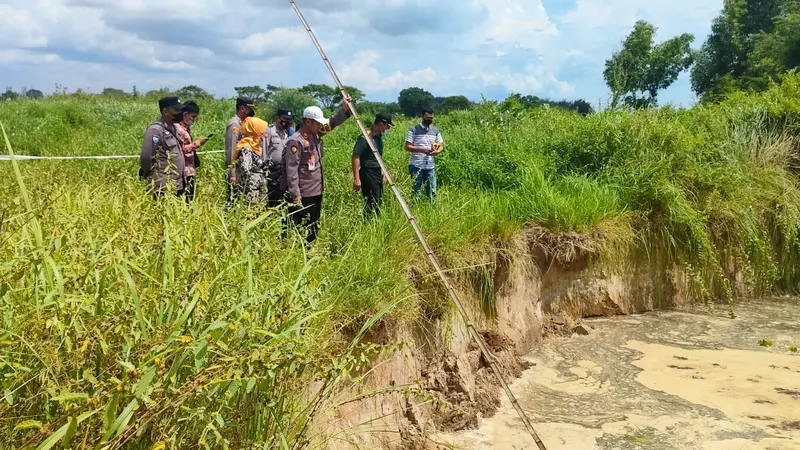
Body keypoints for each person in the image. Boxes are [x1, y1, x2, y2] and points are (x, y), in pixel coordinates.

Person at [282, 100, 351, 243]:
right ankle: (297, 255)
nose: (320, 125)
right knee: (300, 227)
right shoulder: (296, 141)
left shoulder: (315, 134)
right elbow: (291, 170)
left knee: (313, 226)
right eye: (317, 122)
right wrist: (295, 194)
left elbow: (332, 123)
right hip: (303, 193)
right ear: (308, 122)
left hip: (316, 191)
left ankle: (309, 251)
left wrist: (344, 109)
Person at [140, 96, 187, 197]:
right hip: (163, 185)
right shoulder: (156, 130)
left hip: (177, 184)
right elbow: (146, 157)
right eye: (176, 110)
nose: (179, 113)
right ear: (165, 111)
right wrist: (151, 175)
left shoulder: (174, 128)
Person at [352, 113, 393, 219]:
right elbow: (355, 156)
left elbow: (379, 157)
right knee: (371, 201)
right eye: (387, 126)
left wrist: (384, 172)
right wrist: (356, 178)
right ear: (381, 124)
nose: (388, 129)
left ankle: (375, 222)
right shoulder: (366, 137)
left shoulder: (379, 137)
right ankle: (368, 223)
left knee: (378, 199)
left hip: (377, 172)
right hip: (368, 172)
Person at [405, 107, 444, 200]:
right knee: (416, 191)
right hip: (416, 165)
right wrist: (422, 150)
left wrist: (437, 151)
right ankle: (415, 208)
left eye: (431, 118)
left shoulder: (435, 131)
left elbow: (441, 145)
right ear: (422, 116)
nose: (429, 120)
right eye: (427, 118)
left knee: (432, 191)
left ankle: (432, 209)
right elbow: (407, 146)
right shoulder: (413, 130)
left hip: (430, 166)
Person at [176, 100, 209, 203]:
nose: (194, 120)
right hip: (183, 170)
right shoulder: (178, 129)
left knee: (190, 197)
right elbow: (179, 149)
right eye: (193, 117)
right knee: (185, 199)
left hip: (189, 170)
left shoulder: (186, 129)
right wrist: (196, 144)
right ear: (185, 114)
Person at [232, 116, 270, 206]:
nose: (264, 135)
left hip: (257, 190)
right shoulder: (245, 148)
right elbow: (246, 171)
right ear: (255, 131)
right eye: (261, 132)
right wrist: (260, 168)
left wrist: (264, 165)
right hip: (250, 193)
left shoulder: (255, 148)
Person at [225, 96, 256, 204]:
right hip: (236, 170)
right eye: (249, 109)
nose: (251, 112)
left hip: (242, 169)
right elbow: (232, 150)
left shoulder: (243, 124)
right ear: (242, 109)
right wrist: (232, 173)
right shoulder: (235, 124)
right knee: (233, 201)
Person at [264, 108, 295, 208]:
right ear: (278, 118)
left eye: (289, 120)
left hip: (283, 171)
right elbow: (264, 151)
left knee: (282, 198)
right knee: (272, 198)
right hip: (272, 171)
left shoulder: (287, 134)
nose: (287, 122)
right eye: (284, 119)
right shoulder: (269, 131)